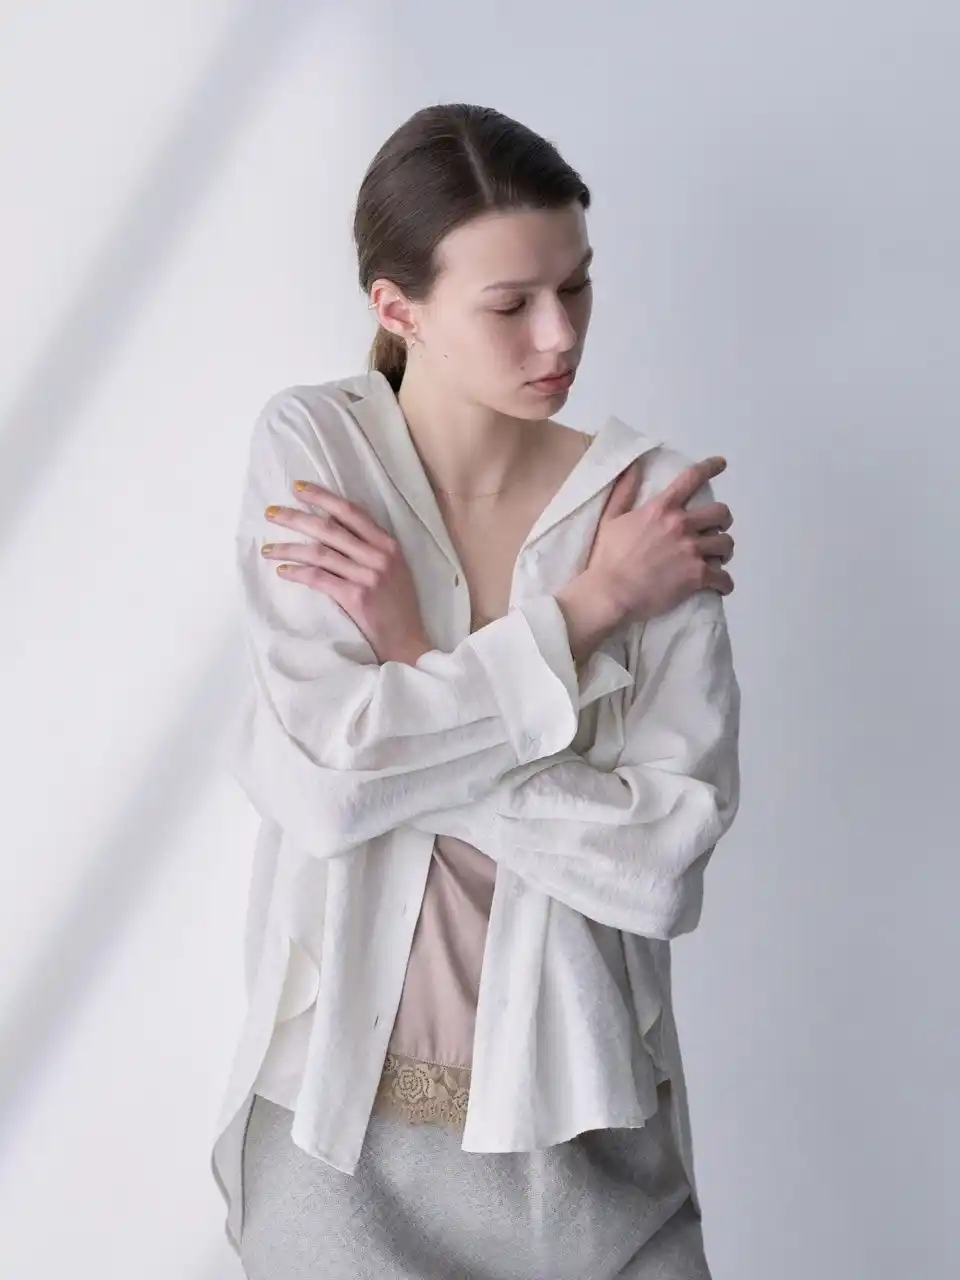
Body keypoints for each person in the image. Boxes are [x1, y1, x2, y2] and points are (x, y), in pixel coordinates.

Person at [212, 103, 741, 1279]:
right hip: (337, 1150)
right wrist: (591, 607)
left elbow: (659, 866)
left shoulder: (651, 509)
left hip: (595, 1151)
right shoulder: (319, 450)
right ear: (397, 309)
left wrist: (410, 670)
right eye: (510, 305)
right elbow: (331, 791)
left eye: (578, 285)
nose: (560, 334)